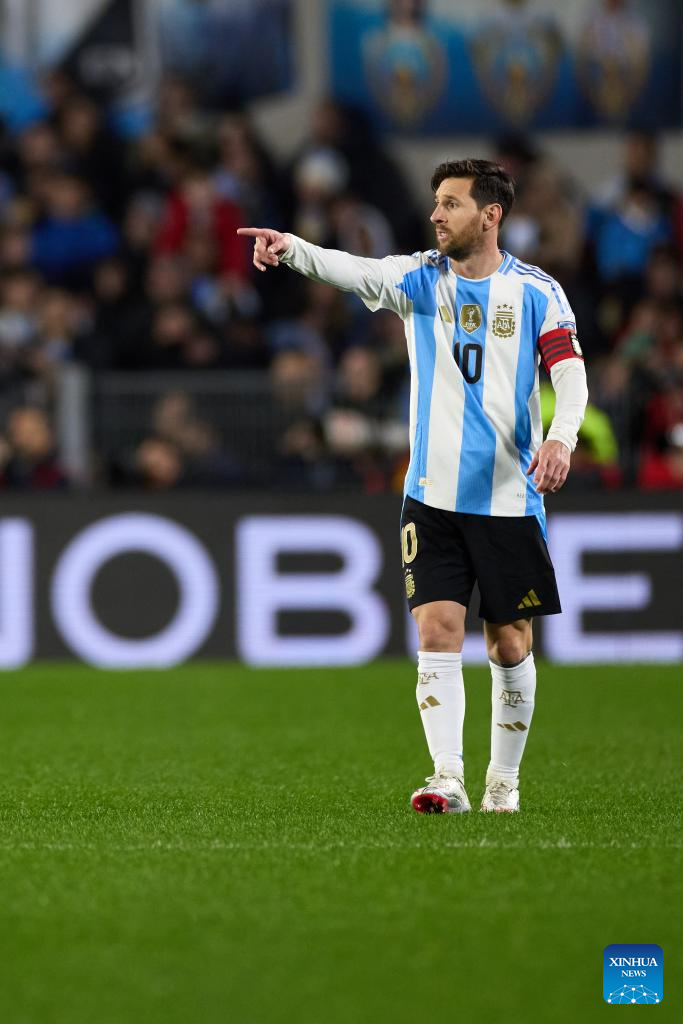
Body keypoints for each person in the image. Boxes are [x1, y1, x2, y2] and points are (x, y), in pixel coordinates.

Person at [238, 158, 588, 814]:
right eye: (436, 202)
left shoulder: (537, 292)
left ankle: (503, 784)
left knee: (509, 643)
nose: (435, 215)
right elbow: (354, 270)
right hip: (429, 496)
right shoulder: (419, 279)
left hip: (509, 496)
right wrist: (292, 250)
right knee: (437, 630)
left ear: (490, 215)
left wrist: (561, 438)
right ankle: (446, 778)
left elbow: (569, 373)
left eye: (451, 204)